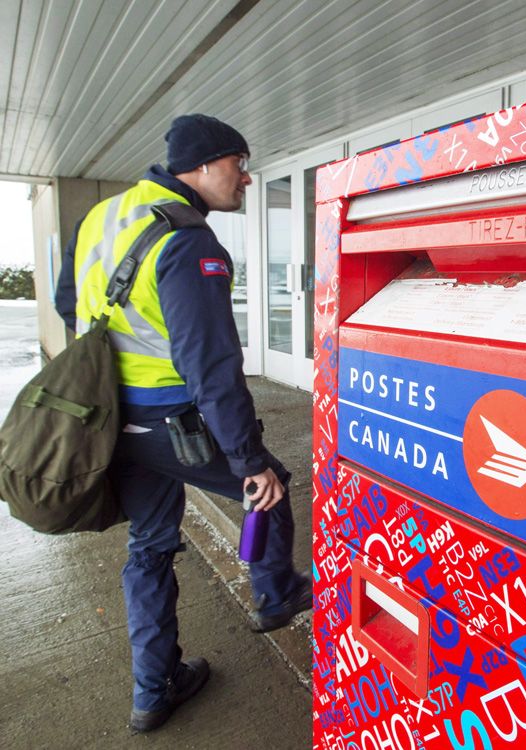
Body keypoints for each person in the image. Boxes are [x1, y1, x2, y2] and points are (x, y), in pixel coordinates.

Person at [54, 114, 310, 733]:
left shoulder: (104, 216)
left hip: (113, 419)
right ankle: (276, 597)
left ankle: (155, 688)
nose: (246, 178)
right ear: (200, 167)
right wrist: (248, 460)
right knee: (268, 492)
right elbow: (213, 368)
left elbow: (68, 302)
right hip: (170, 419)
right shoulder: (188, 239)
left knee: (148, 546)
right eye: (238, 164)